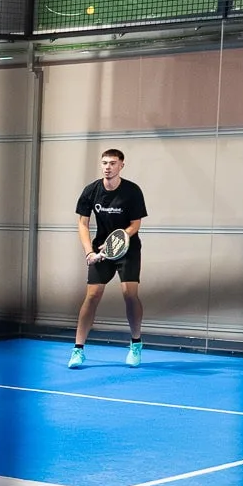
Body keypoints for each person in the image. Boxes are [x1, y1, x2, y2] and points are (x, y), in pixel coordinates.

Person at [69, 149, 148, 370]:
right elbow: (83, 224)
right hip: (100, 250)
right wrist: (89, 252)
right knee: (92, 296)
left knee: (129, 294)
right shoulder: (91, 191)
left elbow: (135, 224)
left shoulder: (132, 191)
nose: (107, 167)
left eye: (113, 163)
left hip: (128, 250)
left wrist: (119, 240)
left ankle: (136, 343)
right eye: (104, 163)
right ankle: (78, 349)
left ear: (121, 165)